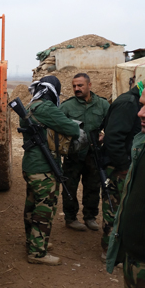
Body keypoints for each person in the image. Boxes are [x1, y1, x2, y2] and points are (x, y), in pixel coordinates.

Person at [20, 76, 80, 266]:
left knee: (32, 205)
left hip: (31, 166)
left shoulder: (30, 106)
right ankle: (37, 252)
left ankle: (33, 241)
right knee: (45, 209)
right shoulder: (46, 108)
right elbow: (71, 128)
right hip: (43, 168)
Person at [59, 73, 109, 231]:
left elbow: (111, 124)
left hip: (94, 153)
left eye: (80, 85)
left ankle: (90, 216)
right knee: (70, 186)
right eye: (74, 86)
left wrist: (104, 135)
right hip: (74, 155)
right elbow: (58, 129)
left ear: (89, 85)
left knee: (93, 186)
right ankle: (70, 217)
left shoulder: (102, 104)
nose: (77, 89)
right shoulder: (67, 107)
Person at [106, 83, 145, 287]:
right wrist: (123, 166)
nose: (141, 113)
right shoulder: (126, 104)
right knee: (113, 204)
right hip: (135, 254)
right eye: (141, 105)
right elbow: (114, 137)